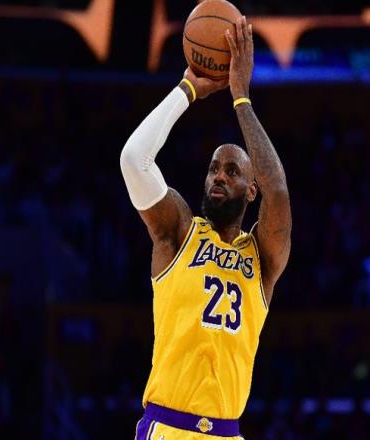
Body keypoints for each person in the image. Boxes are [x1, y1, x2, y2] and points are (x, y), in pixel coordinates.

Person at [121, 16, 291, 440]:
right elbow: (134, 160)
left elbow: (278, 191)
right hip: (168, 427)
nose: (218, 176)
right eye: (214, 168)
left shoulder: (262, 258)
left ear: (251, 190)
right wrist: (187, 90)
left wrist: (241, 99)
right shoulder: (178, 231)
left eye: (232, 171)